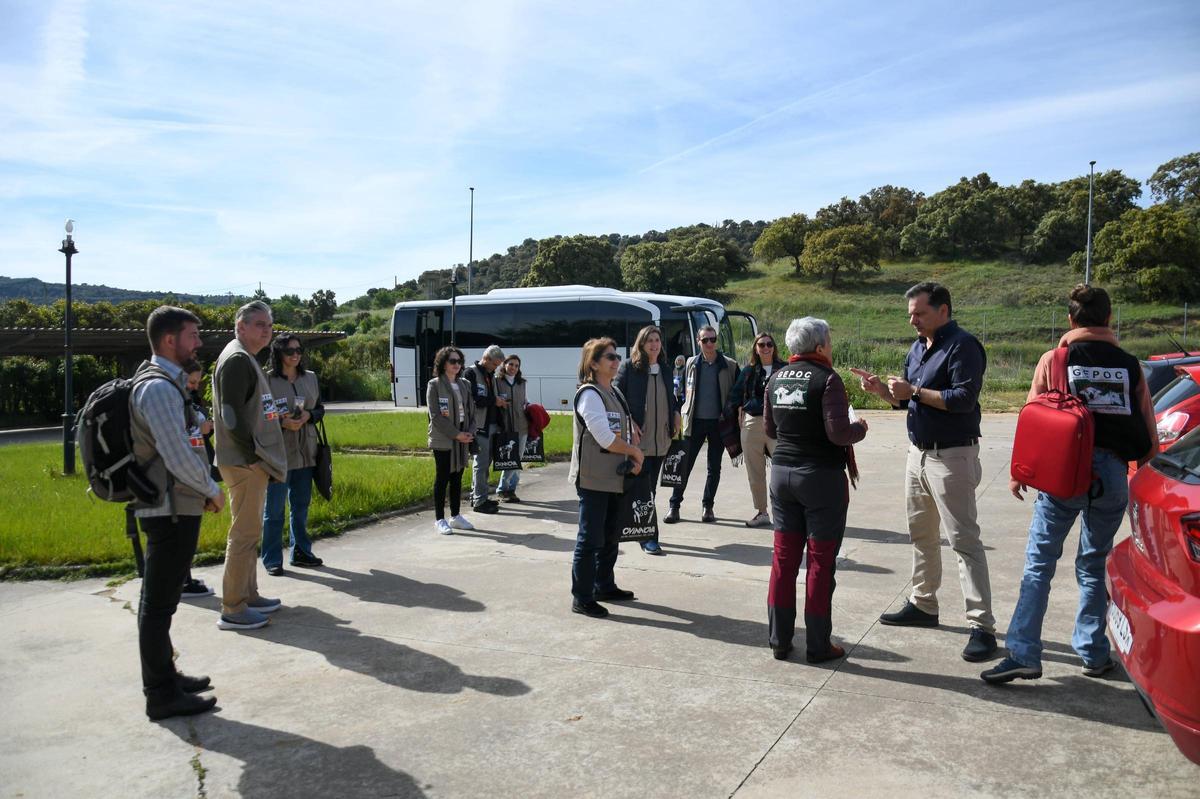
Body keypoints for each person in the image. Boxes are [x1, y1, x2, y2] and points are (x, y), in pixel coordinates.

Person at [983, 285, 1158, 683]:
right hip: (1113, 475)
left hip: (1063, 476)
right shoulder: (1130, 364)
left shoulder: (1055, 359)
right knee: (1094, 563)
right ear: (1109, 319)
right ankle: (1094, 653)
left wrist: (1019, 470)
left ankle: (1024, 652)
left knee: (1040, 562)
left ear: (1070, 320)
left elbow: (1033, 416)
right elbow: (1148, 429)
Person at [854, 282, 997, 662]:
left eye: (919, 313)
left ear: (943, 311)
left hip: (952, 457)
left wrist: (913, 390)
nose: (913, 321)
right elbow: (906, 403)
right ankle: (924, 604)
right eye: (910, 315)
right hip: (917, 454)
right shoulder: (918, 348)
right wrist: (883, 393)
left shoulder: (963, 346)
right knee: (921, 534)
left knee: (964, 541)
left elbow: (963, 400)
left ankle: (981, 626)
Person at [129, 306, 224, 720]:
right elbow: (178, 454)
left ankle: (167, 677)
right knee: (157, 604)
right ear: (169, 340)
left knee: (161, 602)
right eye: (192, 335)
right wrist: (212, 489)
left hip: (174, 503)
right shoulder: (159, 390)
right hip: (168, 508)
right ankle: (161, 693)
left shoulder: (166, 384)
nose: (198, 343)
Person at [764, 317, 867, 663]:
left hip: (781, 474)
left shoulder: (775, 378)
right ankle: (818, 645)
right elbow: (839, 434)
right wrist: (860, 427)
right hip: (820, 479)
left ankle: (779, 639)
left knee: (784, 559)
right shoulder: (828, 379)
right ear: (820, 346)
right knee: (820, 563)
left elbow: (770, 428)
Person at [212, 300, 288, 631]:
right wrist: (254, 457)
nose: (266, 331)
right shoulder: (238, 359)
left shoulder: (245, 358)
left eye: (269, 325)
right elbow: (230, 416)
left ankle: (249, 595)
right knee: (243, 535)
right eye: (259, 324)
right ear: (240, 326)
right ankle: (233, 607)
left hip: (249, 461)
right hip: (244, 462)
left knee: (249, 531)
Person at [569, 337, 645, 618]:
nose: (617, 361)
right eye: (610, 357)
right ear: (594, 363)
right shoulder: (590, 394)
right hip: (593, 478)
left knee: (610, 535)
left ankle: (604, 585)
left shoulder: (613, 391)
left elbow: (624, 432)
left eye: (617, 356)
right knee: (590, 538)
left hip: (614, 476)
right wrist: (634, 453)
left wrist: (632, 456)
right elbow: (603, 436)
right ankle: (582, 596)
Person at [261, 334, 326, 575]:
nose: (296, 355)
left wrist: (310, 415)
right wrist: (281, 422)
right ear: (278, 354)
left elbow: (320, 409)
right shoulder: (266, 380)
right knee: (274, 509)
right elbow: (259, 415)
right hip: (278, 453)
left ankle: (301, 552)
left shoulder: (310, 378)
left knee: (300, 505)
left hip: (306, 451)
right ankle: (271, 558)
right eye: (290, 351)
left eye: (299, 350)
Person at [615, 325, 680, 555]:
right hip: (638, 443)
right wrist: (629, 420)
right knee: (645, 490)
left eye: (657, 340)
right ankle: (649, 537)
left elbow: (672, 396)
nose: (654, 344)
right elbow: (615, 396)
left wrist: (676, 412)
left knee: (648, 489)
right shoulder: (629, 368)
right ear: (641, 344)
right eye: (649, 340)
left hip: (660, 441)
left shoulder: (664, 368)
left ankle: (640, 529)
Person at [664, 325, 738, 524]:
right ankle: (674, 506)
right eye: (705, 340)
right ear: (698, 341)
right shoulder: (690, 363)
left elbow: (737, 393)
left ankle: (708, 506)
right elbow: (679, 390)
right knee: (684, 466)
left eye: (712, 339)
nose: (709, 343)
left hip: (718, 424)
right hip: (693, 422)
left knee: (714, 467)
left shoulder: (729, 365)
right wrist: (678, 413)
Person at [730, 332, 787, 528]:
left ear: (774, 346)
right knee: (755, 473)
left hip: (778, 425)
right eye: (761, 345)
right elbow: (734, 396)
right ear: (755, 348)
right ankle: (762, 512)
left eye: (769, 344)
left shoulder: (785, 369)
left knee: (784, 470)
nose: (765, 348)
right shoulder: (748, 371)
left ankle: (787, 513)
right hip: (752, 423)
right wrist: (741, 412)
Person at [427, 345, 476, 535]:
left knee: (457, 477)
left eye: (459, 361)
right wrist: (456, 434)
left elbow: (472, 412)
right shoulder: (435, 385)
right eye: (452, 361)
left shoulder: (464, 384)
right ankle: (439, 519)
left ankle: (455, 516)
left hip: (462, 438)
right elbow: (436, 416)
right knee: (443, 478)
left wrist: (469, 433)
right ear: (443, 363)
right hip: (444, 439)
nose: (457, 364)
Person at [178, 361, 216, 599]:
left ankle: (184, 576)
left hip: (197, 469)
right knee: (183, 530)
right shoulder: (173, 400)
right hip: (185, 475)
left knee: (189, 530)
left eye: (197, 381)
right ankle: (182, 581)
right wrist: (199, 429)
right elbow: (177, 436)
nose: (195, 386)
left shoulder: (189, 399)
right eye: (191, 381)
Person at [463, 344, 507, 514]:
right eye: (495, 364)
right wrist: (494, 401)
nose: (496, 368)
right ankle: (479, 501)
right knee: (480, 465)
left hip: (492, 425)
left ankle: (479, 496)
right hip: (479, 426)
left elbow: (490, 398)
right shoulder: (470, 373)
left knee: (486, 463)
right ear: (486, 359)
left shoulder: (491, 375)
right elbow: (473, 399)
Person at [496, 354, 529, 503]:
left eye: (516, 365)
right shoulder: (497, 381)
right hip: (504, 426)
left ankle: (511, 489)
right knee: (509, 459)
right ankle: (503, 489)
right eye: (511, 364)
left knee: (518, 459)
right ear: (504, 365)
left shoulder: (522, 383)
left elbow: (525, 402)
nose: (513, 368)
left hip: (522, 426)